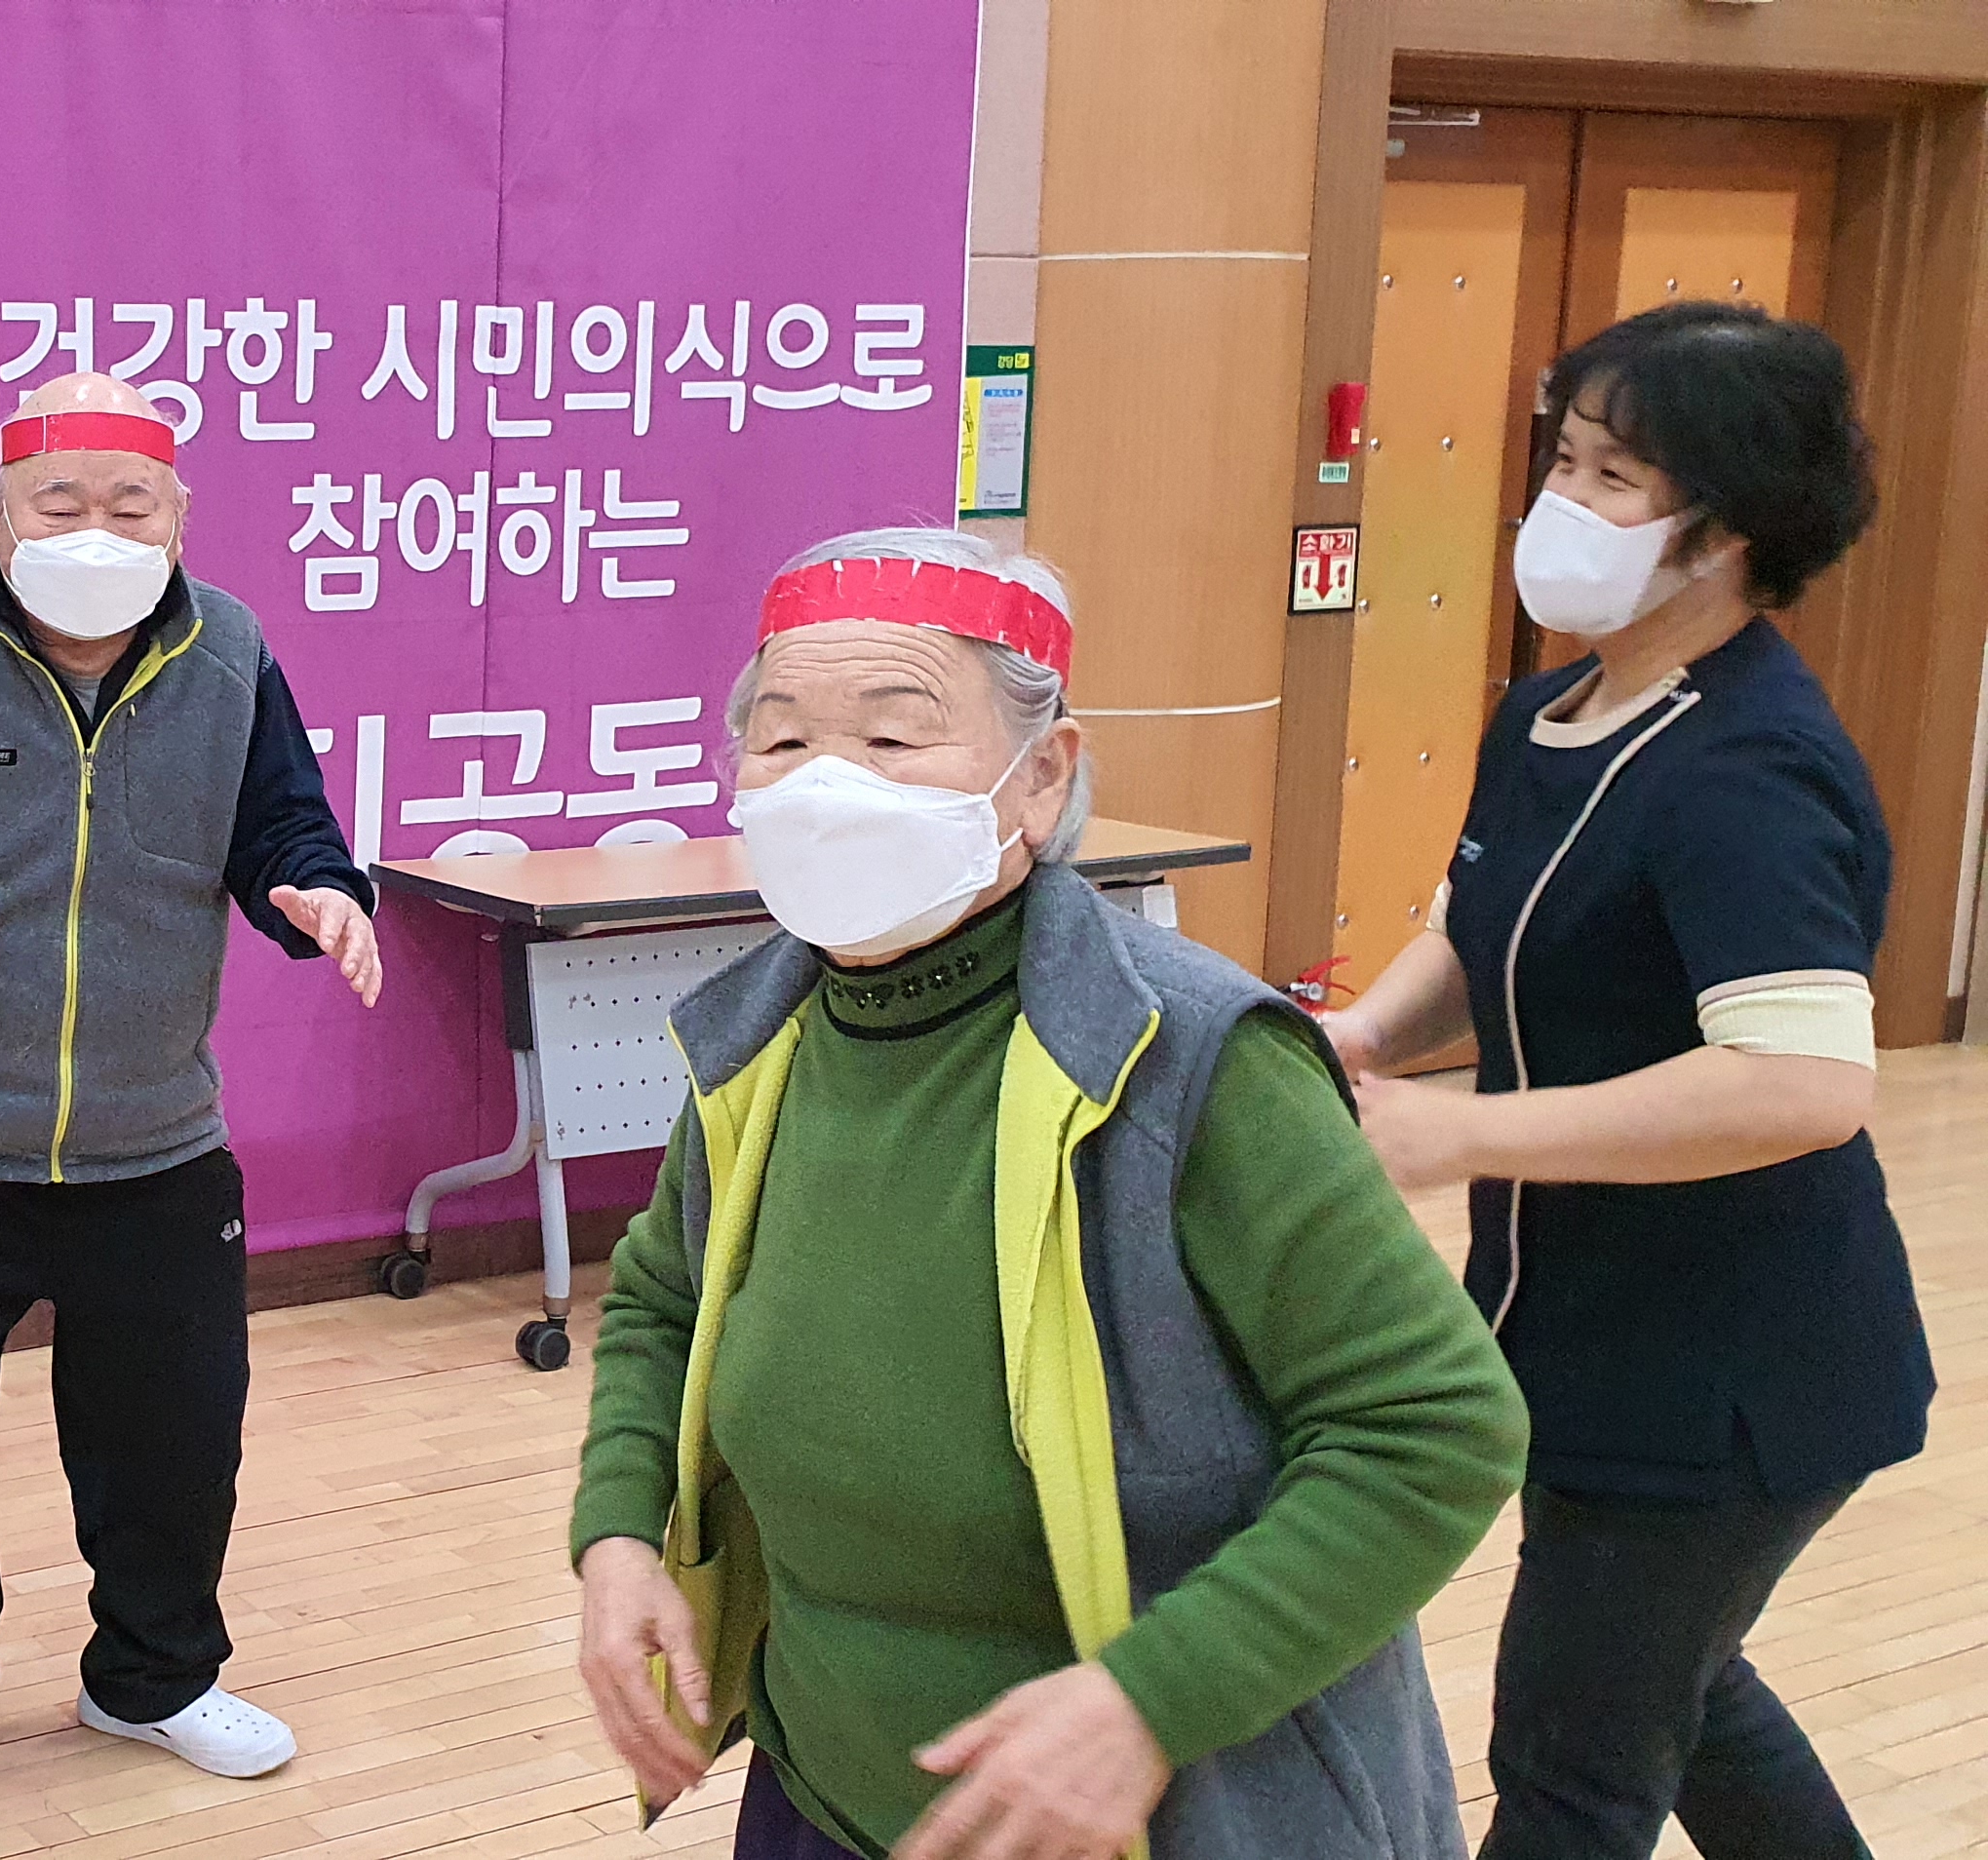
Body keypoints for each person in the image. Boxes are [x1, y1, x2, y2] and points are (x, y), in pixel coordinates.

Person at [570, 527, 1530, 1860]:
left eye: (895, 736)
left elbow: (1433, 1427)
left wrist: (1148, 1702)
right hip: (820, 1789)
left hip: (1160, 1816)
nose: (827, 784)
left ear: (1044, 775)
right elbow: (662, 1301)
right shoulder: (762, 1036)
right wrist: (620, 1532)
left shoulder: (1191, 1057)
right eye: (782, 740)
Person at [1322, 301, 1931, 1860]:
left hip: (1729, 1373)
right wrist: (1369, 1035)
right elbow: (1480, 915)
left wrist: (1461, 1133)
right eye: (1564, 461)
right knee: (1681, 1690)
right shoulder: (1550, 712)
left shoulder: (1750, 772)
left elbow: (1800, 1083)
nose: (1561, 505)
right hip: (1583, 1326)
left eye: (1611, 477)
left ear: (1725, 531)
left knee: (1572, 1763)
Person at [0, 371, 380, 1827]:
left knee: (176, 1445)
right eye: (60, 501)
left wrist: (318, 892)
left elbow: (284, 825)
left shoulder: (231, 653)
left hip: (155, 1143)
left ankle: (153, 1678)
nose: (95, 528)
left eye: (130, 502)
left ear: (180, 517)